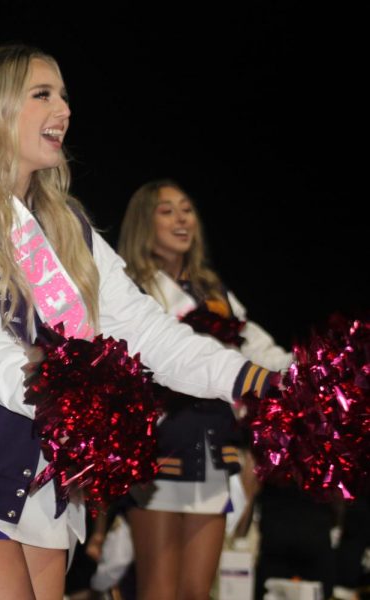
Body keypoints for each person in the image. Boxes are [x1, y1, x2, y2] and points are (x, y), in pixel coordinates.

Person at [0, 45, 280, 600]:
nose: (63, 109)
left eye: (63, 96)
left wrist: (250, 380)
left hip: (48, 481)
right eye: (42, 95)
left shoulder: (69, 229)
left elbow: (146, 328)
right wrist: (65, 400)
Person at [116, 180, 291, 600]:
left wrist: (311, 374)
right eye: (167, 211)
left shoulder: (214, 292)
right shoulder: (128, 288)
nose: (181, 219)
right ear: (144, 222)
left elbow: (262, 352)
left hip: (215, 452)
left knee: (196, 592)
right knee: (158, 592)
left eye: (187, 209)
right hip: (161, 451)